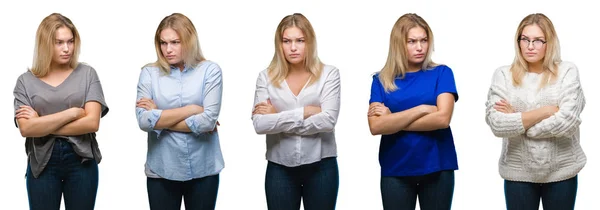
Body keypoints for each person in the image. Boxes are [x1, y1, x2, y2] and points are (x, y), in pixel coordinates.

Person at [485, 13, 586, 210]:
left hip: (562, 172)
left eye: (538, 40)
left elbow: (568, 120)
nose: (530, 46)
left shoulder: (567, 72)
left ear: (549, 43)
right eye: (525, 39)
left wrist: (519, 120)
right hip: (518, 173)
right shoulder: (503, 75)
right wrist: (546, 111)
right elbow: (496, 123)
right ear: (518, 41)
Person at [13, 13, 109, 210]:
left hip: (81, 161)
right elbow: (26, 129)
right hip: (42, 163)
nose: (67, 49)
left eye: (70, 42)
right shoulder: (25, 81)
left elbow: (92, 123)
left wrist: (41, 124)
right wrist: (71, 113)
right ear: (45, 44)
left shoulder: (87, 74)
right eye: (59, 43)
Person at [367, 13, 458, 210]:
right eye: (412, 41)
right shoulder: (381, 80)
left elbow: (443, 119)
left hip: (438, 167)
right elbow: (376, 126)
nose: (420, 47)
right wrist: (423, 109)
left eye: (424, 40)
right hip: (396, 168)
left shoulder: (442, 73)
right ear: (399, 44)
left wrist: (393, 120)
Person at [251, 13, 341, 210]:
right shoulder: (265, 77)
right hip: (279, 168)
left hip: (322, 167)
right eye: (286, 41)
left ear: (310, 42)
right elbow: (259, 125)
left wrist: (277, 117)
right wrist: (306, 112)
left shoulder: (329, 74)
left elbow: (328, 121)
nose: (293, 47)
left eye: (300, 40)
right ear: (279, 44)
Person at [135, 13, 223, 210]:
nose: (168, 49)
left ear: (189, 40)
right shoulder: (149, 73)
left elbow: (207, 122)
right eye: (163, 43)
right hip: (162, 168)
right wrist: (192, 110)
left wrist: (159, 115)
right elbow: (143, 121)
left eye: (175, 42)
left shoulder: (210, 71)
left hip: (204, 169)